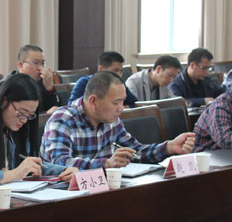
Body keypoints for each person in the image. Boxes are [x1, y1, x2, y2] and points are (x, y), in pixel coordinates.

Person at [41, 71, 195, 169]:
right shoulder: (63, 119)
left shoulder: (111, 119)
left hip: (100, 190)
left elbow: (136, 151)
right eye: (116, 103)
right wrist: (106, 164)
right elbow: (59, 163)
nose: (121, 108)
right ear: (93, 101)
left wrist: (169, 147)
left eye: (122, 101)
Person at [68, 51, 138, 107]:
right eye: (115, 70)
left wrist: (122, 107)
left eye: (121, 71)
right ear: (101, 69)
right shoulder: (84, 82)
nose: (119, 75)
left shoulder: (119, 85)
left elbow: (135, 104)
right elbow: (72, 106)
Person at [11, 44, 59, 113]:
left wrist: (50, 88)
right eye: (36, 63)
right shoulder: (9, 85)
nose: (40, 68)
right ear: (21, 65)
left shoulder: (43, 81)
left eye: (42, 63)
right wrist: (44, 114)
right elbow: (18, 115)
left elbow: (57, 110)